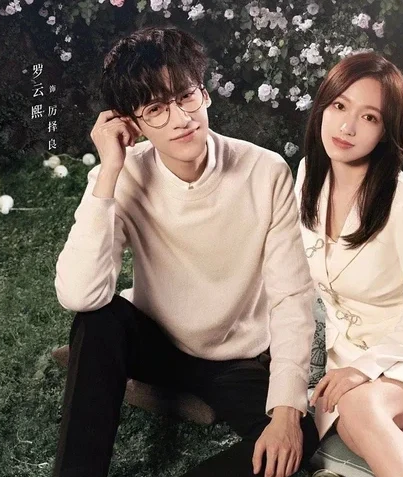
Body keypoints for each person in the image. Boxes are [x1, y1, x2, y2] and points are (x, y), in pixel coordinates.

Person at [52, 26, 319, 477]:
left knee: (300, 437)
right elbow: (80, 294)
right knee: (97, 322)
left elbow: (292, 296)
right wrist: (109, 171)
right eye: (156, 109)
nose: (181, 119)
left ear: (205, 94)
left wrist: (288, 413)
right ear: (132, 123)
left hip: (235, 358)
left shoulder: (265, 171)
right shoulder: (126, 174)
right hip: (155, 340)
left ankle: (173, 398)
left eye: (186, 96)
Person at [294, 51, 403, 477]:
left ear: (385, 132)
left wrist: (363, 370)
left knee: (359, 408)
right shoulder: (307, 176)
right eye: (339, 106)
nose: (347, 127)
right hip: (348, 349)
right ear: (322, 107)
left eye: (369, 117)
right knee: (359, 427)